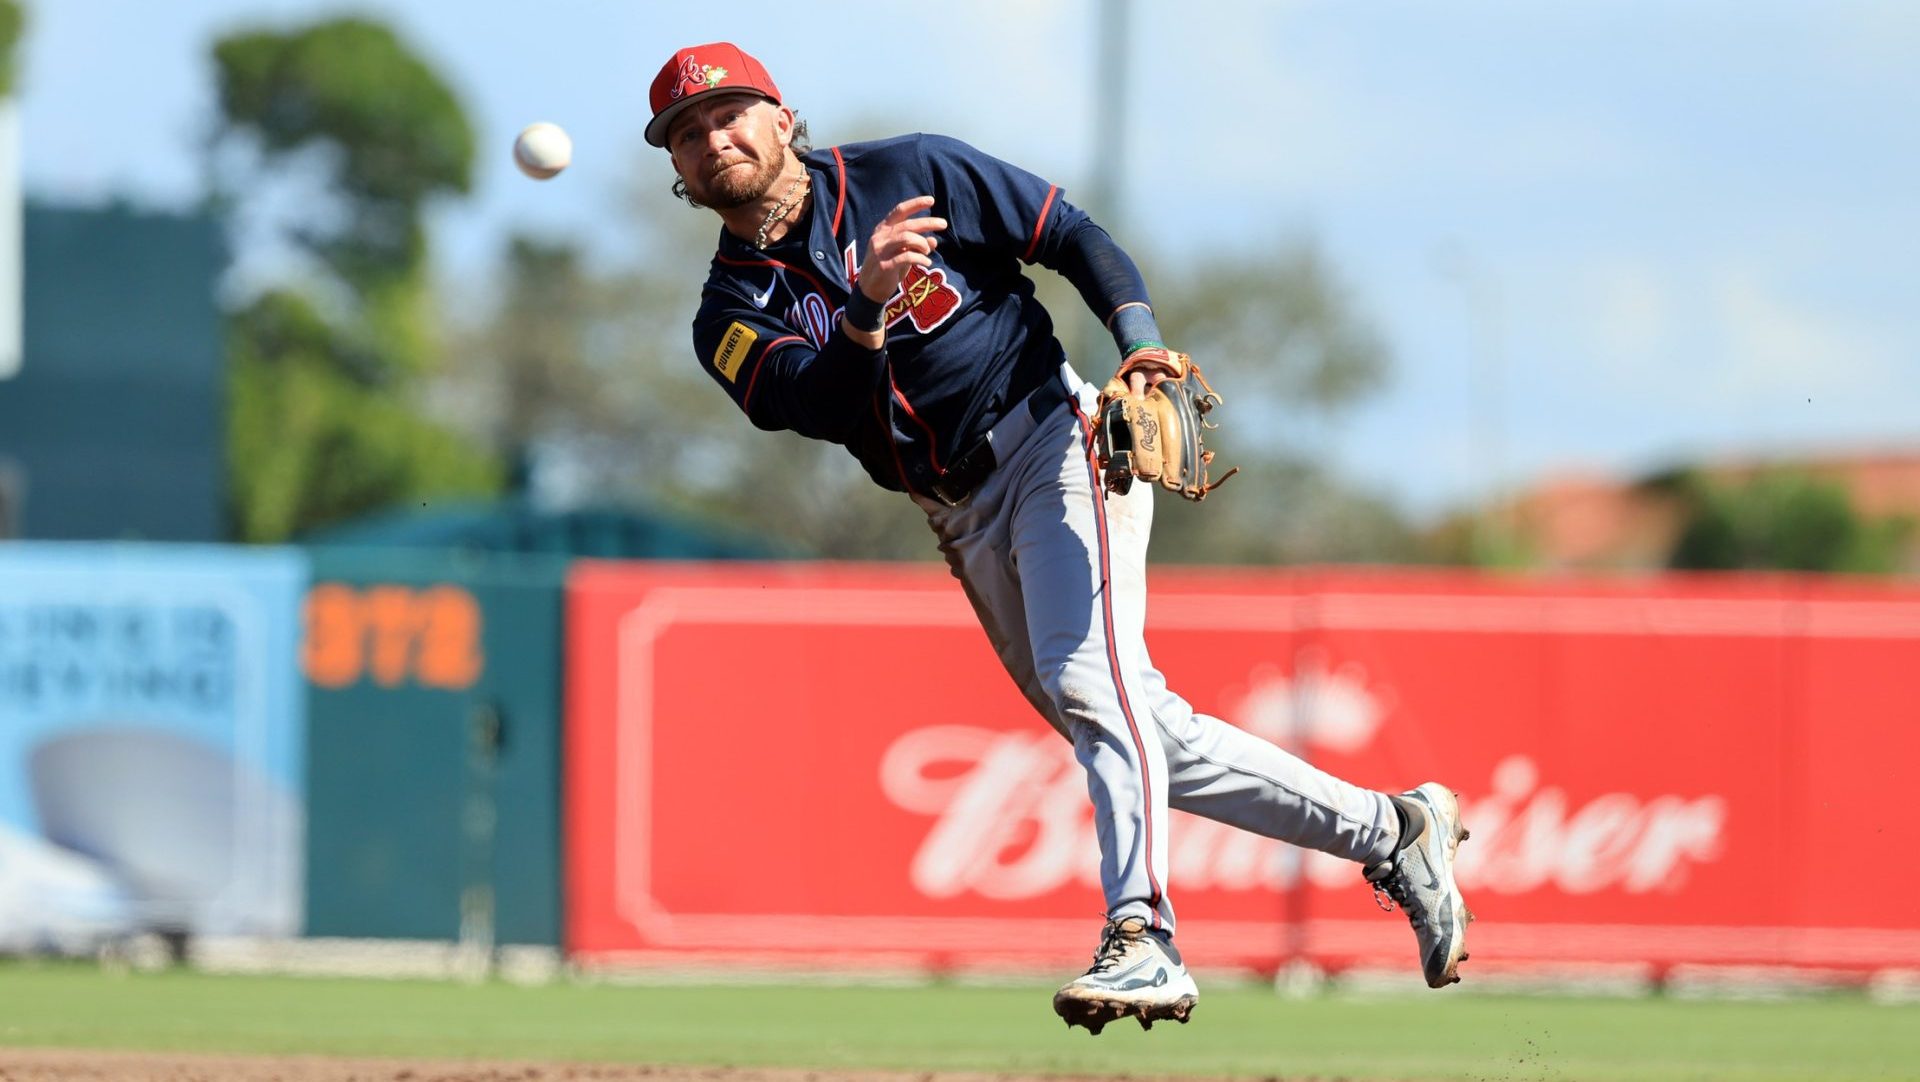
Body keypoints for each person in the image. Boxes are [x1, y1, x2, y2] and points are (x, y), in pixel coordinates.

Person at [647, 41, 1472, 1033]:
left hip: (1055, 437)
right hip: (954, 507)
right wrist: (863, 303)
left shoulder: (911, 170)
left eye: (731, 113)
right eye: (689, 134)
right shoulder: (727, 312)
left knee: (1093, 685)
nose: (714, 138)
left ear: (783, 117)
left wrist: (1137, 340)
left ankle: (1144, 935)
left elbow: (1065, 230)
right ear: (680, 172)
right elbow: (820, 404)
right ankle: (1396, 828)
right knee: (1136, 722)